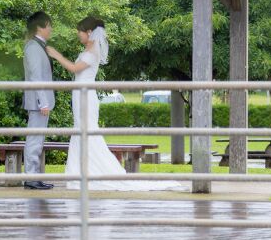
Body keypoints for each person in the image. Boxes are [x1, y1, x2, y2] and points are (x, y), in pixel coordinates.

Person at [46, 17, 184, 191]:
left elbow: (74, 69)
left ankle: (92, 171)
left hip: (85, 95)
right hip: (79, 94)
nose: (78, 35)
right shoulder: (87, 50)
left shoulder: (92, 52)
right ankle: (80, 172)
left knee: (86, 131)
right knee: (79, 130)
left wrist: (57, 55)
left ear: (88, 32)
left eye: (79, 31)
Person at [22, 11, 54, 190]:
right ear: (40, 27)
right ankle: (31, 177)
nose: (50, 29)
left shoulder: (39, 46)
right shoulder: (33, 47)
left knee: (38, 139)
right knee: (34, 139)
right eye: (48, 25)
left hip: (40, 101)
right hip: (38, 102)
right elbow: (35, 76)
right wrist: (43, 101)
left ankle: (34, 176)